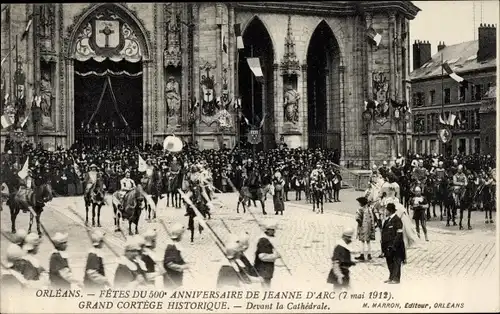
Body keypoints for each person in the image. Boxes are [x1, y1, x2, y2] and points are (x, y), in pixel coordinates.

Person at [381, 203, 405, 284]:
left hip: (395, 246)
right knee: (389, 261)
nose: (385, 211)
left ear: (390, 211)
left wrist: (394, 245)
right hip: (388, 246)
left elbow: (399, 234)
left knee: (396, 262)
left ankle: (396, 279)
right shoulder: (388, 220)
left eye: (386, 210)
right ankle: (391, 277)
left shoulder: (397, 219)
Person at [254, 221, 280, 289]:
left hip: (267, 268)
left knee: (267, 283)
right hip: (264, 268)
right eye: (273, 230)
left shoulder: (266, 239)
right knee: (266, 285)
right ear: (268, 230)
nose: (274, 232)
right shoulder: (264, 241)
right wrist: (275, 256)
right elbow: (262, 256)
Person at [163, 223, 188, 289]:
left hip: (177, 281)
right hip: (172, 282)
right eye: (182, 234)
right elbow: (169, 264)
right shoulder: (171, 247)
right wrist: (182, 267)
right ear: (179, 235)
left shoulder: (176, 246)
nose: (182, 236)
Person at [355, 197, 376, 261]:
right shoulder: (369, 209)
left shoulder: (360, 209)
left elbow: (358, 218)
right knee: (368, 241)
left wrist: (359, 226)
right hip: (369, 227)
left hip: (363, 226)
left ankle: (362, 255)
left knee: (362, 241)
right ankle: (369, 254)